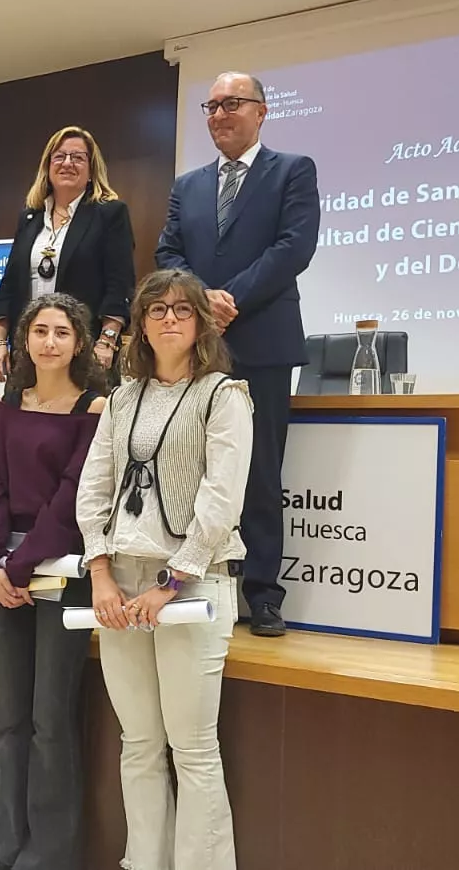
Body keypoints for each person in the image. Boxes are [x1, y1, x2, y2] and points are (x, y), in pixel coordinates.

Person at [75, 269, 253, 870]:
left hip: (194, 582)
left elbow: (221, 498)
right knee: (139, 744)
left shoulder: (225, 394)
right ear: (142, 323)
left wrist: (172, 584)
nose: (170, 319)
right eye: (157, 310)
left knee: (193, 748)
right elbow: (93, 487)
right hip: (120, 580)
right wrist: (99, 572)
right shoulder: (122, 396)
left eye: (182, 309)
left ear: (201, 322)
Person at [154, 70, 320, 637]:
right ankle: (201, 577)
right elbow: (168, 250)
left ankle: (264, 595)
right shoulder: (188, 184)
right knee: (195, 469)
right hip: (194, 348)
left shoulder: (292, 171)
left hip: (264, 343)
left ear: (261, 111)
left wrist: (232, 300)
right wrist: (202, 302)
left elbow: (294, 247)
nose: (219, 114)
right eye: (211, 105)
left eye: (232, 104)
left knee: (260, 472)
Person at [0, 293, 107, 870]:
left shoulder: (94, 407)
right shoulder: (9, 404)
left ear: (79, 342)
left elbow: (73, 496)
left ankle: (49, 855)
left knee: (50, 719)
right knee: (9, 718)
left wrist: (21, 564)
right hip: (7, 571)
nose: (50, 341)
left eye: (62, 332)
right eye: (40, 331)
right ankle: (4, 848)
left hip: (61, 568)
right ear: (24, 340)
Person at [0, 126, 134, 384]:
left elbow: (119, 284)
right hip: (29, 351)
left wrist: (107, 341)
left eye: (78, 157)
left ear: (91, 170)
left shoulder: (109, 214)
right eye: (60, 156)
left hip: (85, 352)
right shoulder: (29, 218)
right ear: (47, 166)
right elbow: (9, 286)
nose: (68, 163)